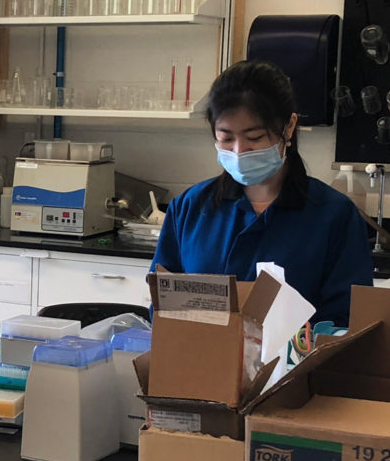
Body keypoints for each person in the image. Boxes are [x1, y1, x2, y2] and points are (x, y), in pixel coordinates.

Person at [150, 60, 373, 327]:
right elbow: (163, 304)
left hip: (297, 367)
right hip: (203, 363)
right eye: (226, 138)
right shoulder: (190, 208)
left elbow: (347, 319)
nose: (239, 151)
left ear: (289, 126)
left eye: (254, 137)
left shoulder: (333, 215)